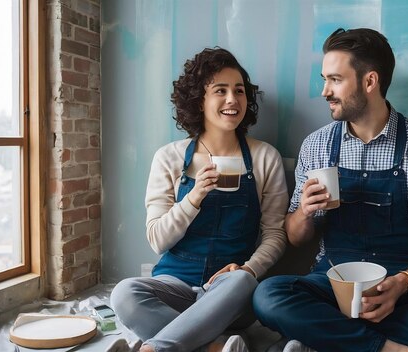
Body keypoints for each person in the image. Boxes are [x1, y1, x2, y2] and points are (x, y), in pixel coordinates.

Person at [253, 28, 408, 352]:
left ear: (370, 82)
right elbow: (296, 237)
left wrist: (402, 284)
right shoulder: (316, 145)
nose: (324, 91)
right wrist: (305, 212)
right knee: (268, 296)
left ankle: (331, 335)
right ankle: (388, 348)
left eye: (335, 79)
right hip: (331, 283)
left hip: (404, 286)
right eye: (324, 79)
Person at [111, 47, 288, 352]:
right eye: (221, 90)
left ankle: (154, 349)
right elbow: (157, 239)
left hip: (229, 291)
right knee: (124, 294)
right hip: (175, 283)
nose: (233, 99)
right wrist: (194, 197)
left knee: (245, 282)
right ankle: (215, 346)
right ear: (199, 100)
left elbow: (275, 234)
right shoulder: (169, 157)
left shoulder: (264, 157)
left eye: (239, 91)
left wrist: (248, 269)